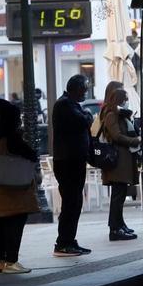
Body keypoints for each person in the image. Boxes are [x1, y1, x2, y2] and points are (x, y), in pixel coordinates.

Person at [0, 100, 39, 274]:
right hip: (16, 187)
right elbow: (31, 154)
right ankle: (11, 261)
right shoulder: (11, 137)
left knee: (0, 223)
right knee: (15, 223)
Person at [50, 75, 93, 257]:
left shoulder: (70, 104)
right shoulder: (64, 104)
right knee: (71, 201)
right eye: (84, 88)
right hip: (68, 161)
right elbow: (83, 121)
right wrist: (88, 115)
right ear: (76, 88)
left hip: (73, 160)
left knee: (75, 201)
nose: (86, 92)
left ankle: (69, 240)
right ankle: (63, 242)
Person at [98, 88, 141, 241]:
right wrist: (135, 141)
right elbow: (116, 136)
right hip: (117, 162)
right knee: (118, 196)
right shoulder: (111, 115)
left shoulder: (122, 114)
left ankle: (120, 224)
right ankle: (114, 229)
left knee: (121, 195)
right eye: (124, 98)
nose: (126, 101)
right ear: (118, 100)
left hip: (124, 161)